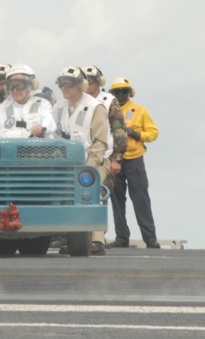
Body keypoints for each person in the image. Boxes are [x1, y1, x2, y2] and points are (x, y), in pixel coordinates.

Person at [54, 66, 110, 256]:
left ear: (81, 85)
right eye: (62, 84)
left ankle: (96, 239)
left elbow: (100, 142)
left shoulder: (96, 107)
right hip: (66, 165)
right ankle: (70, 236)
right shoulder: (59, 107)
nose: (65, 88)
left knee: (90, 191)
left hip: (94, 161)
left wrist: (88, 168)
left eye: (69, 84)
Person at [111, 76, 160, 250]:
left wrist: (137, 134)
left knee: (141, 199)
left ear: (130, 92)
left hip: (134, 159)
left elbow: (153, 132)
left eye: (123, 91)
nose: (120, 95)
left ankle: (150, 237)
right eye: (116, 92)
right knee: (116, 200)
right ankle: (121, 236)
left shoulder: (139, 110)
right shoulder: (108, 110)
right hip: (115, 158)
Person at [0, 64, 56, 138]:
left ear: (30, 85)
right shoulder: (2, 110)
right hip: (10, 154)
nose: (15, 90)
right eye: (11, 86)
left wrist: (42, 128)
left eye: (19, 85)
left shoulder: (42, 104)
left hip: (38, 154)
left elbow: (50, 124)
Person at [84, 65, 128, 197]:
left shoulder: (109, 101)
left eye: (90, 81)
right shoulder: (79, 101)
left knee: (99, 196)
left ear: (99, 81)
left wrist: (116, 159)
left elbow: (119, 130)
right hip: (83, 157)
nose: (87, 84)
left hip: (104, 158)